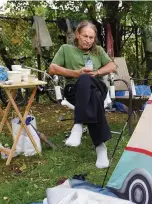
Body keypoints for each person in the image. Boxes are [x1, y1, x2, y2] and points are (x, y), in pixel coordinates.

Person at [49, 20, 116, 169]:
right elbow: (52, 68)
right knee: (95, 96)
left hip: (97, 84)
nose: (88, 40)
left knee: (88, 79)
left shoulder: (98, 50)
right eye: (85, 36)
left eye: (91, 38)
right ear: (77, 34)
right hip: (74, 90)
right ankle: (101, 148)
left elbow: (112, 65)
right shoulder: (66, 49)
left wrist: (97, 72)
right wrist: (75, 73)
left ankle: (78, 125)